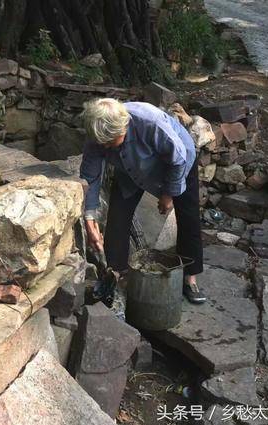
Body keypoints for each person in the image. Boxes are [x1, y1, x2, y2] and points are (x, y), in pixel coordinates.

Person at [80, 98, 205, 304]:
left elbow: (177, 158)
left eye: (111, 143)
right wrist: (89, 218)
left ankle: (190, 278)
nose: (107, 148)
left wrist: (168, 194)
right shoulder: (97, 133)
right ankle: (115, 274)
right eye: (104, 145)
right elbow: (90, 177)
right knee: (118, 216)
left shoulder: (150, 122)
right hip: (129, 169)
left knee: (188, 217)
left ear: (124, 127)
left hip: (177, 163)